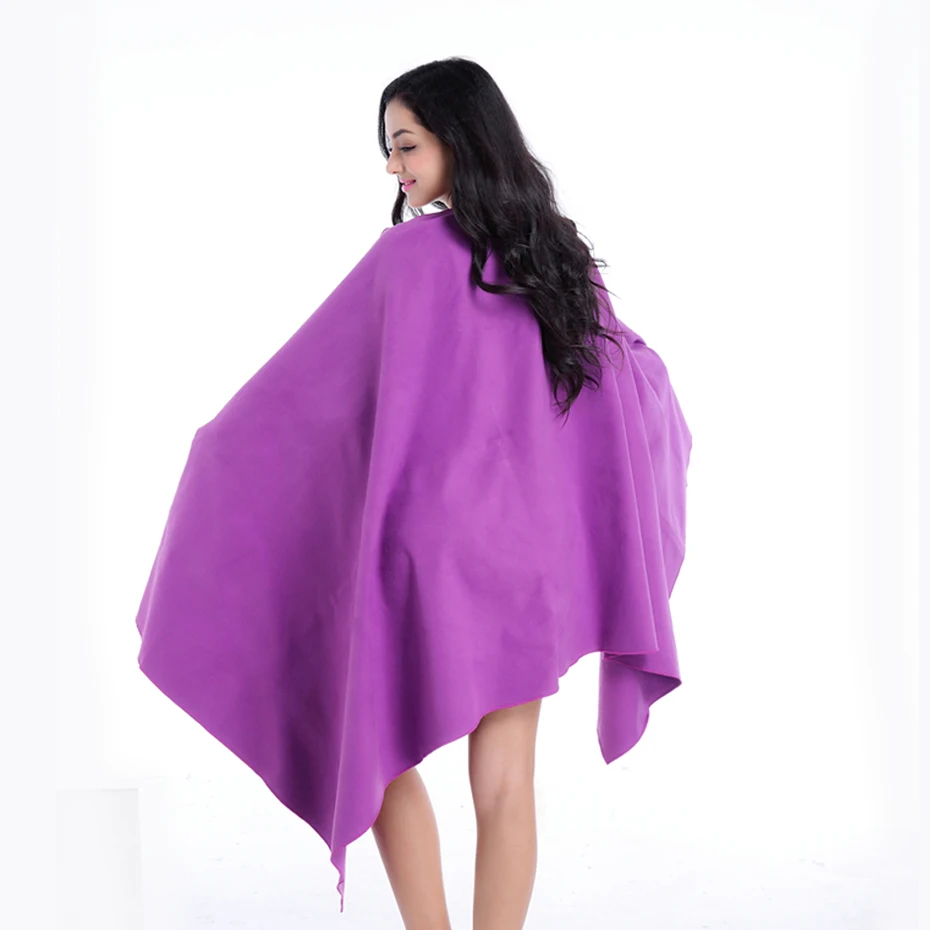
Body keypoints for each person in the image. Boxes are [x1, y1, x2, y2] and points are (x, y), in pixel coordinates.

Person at [135, 56, 692, 930]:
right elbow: (632, 381)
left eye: (405, 145)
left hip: (426, 556)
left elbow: (310, 391)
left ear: (458, 139)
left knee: (380, 757)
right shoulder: (558, 259)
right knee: (506, 782)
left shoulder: (407, 259)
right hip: (525, 567)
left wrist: (217, 450)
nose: (393, 166)